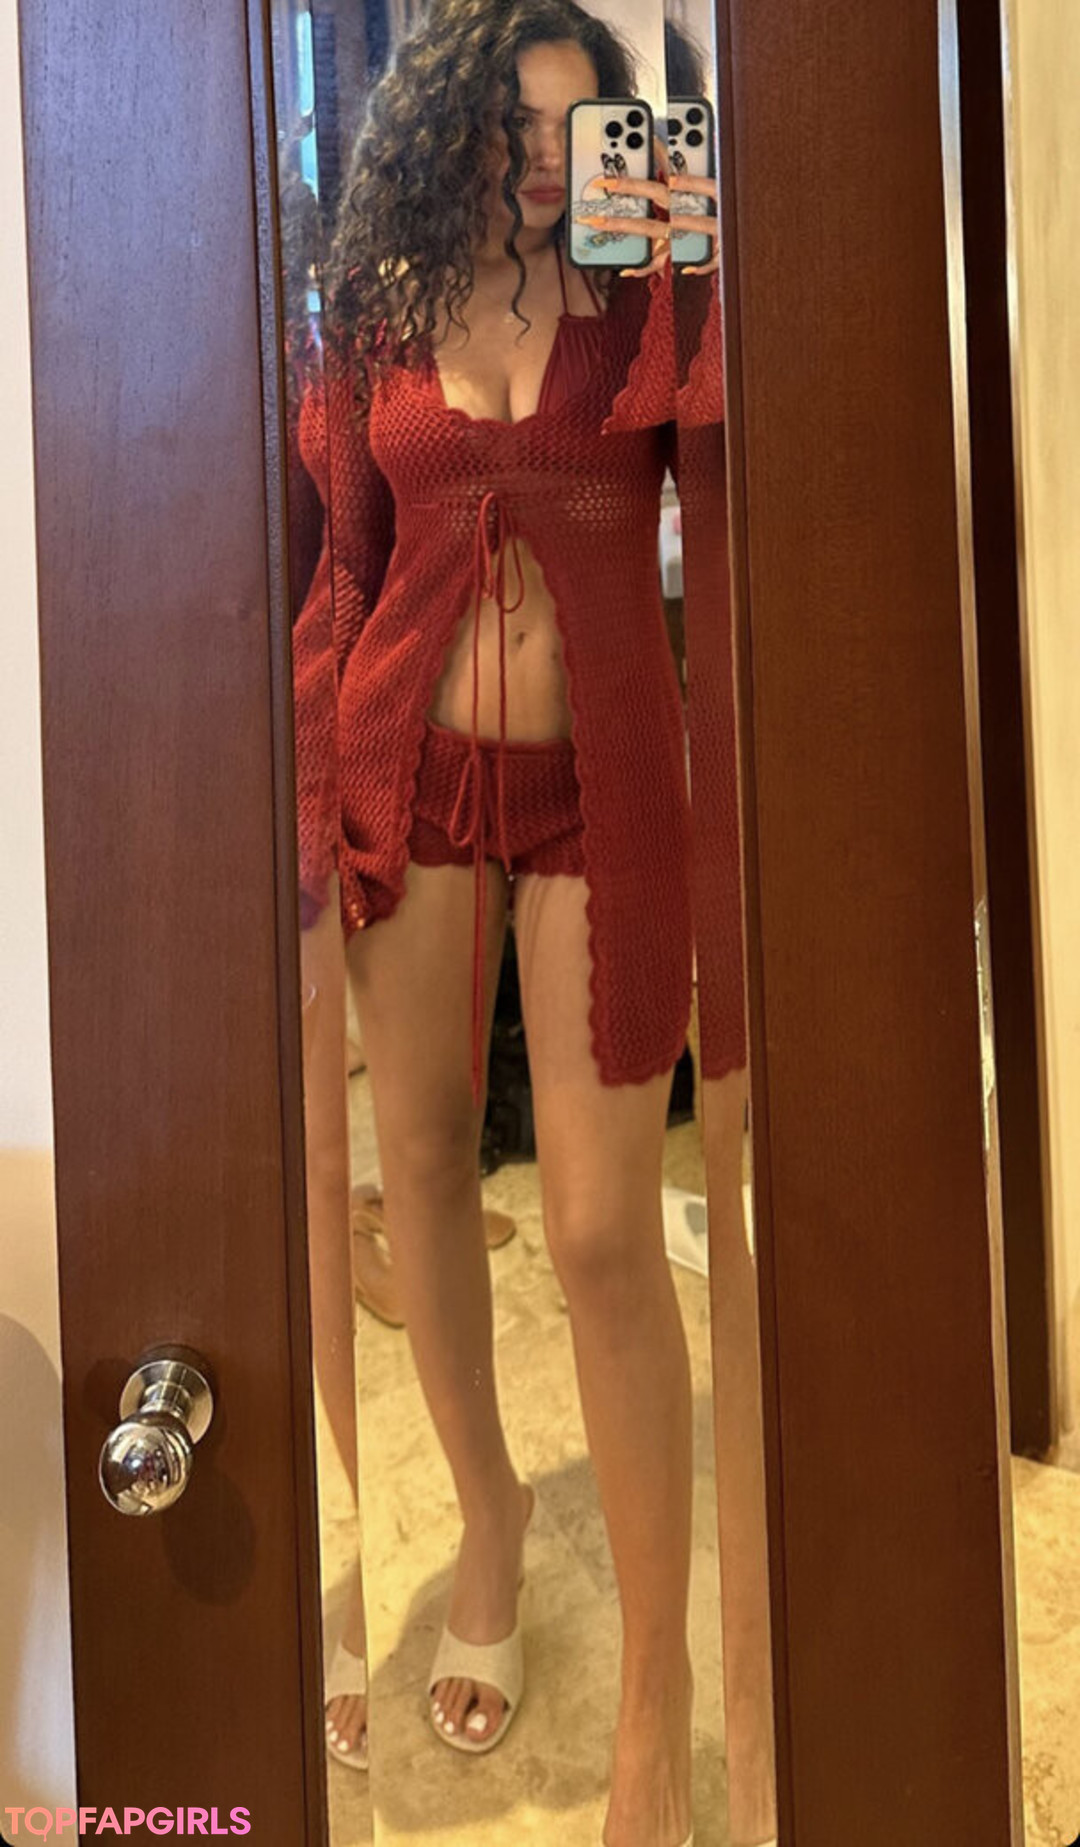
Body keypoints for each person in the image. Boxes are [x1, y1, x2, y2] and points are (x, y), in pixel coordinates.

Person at [290, 2, 743, 1839]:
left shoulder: (643, 300)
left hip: (598, 792)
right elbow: (345, 564)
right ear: (448, 124)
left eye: (580, 129)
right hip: (410, 774)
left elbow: (731, 453)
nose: (548, 163)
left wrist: (691, 230)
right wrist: (312, 789)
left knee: (604, 1229)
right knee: (414, 1165)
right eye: (519, 126)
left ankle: (656, 1689)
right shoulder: (379, 308)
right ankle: (486, 1517)